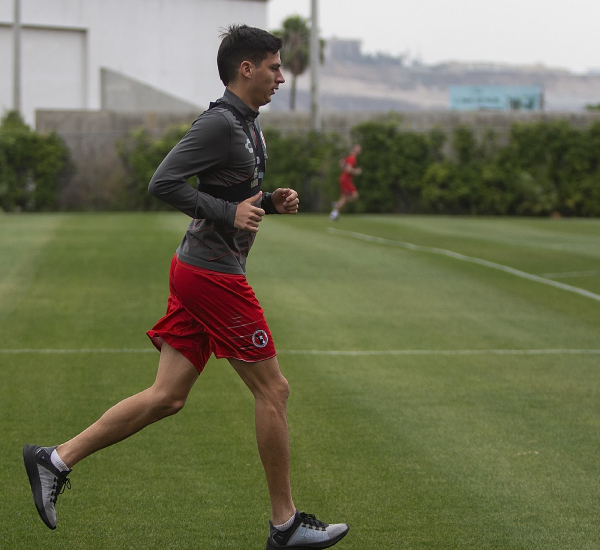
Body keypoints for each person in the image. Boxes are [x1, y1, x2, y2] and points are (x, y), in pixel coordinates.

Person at [23, 24, 349, 549]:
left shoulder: (248, 125)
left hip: (201, 269)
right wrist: (229, 211)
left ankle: (54, 460)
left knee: (167, 397)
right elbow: (163, 182)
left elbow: (234, 193)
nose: (281, 77)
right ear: (247, 69)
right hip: (211, 276)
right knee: (275, 390)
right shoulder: (220, 123)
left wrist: (268, 201)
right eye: (273, 67)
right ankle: (284, 525)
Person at [329, 144, 361, 221]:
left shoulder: (349, 157)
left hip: (344, 179)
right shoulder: (352, 158)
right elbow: (348, 169)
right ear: (354, 149)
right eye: (358, 148)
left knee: (344, 198)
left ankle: (334, 213)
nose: (360, 150)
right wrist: (356, 171)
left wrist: (344, 165)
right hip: (346, 180)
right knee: (354, 196)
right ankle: (337, 205)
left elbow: (341, 163)